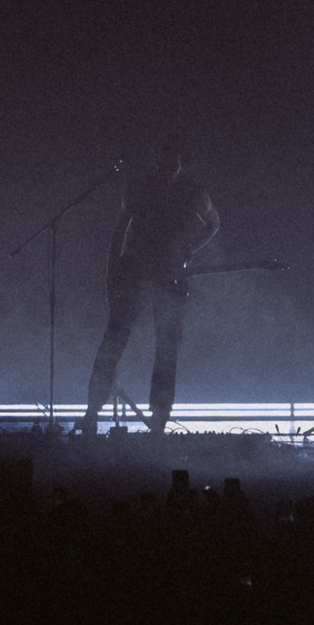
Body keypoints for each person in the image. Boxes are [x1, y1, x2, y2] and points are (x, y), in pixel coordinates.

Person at [76, 132, 219, 435]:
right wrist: (113, 270)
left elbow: (212, 224)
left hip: (168, 275)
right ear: (159, 158)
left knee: (165, 348)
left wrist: (187, 252)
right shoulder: (140, 186)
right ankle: (93, 409)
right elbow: (120, 229)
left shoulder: (194, 191)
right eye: (165, 156)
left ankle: (158, 419)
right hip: (136, 272)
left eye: (175, 157)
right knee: (115, 340)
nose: (170, 163)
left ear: (182, 160)